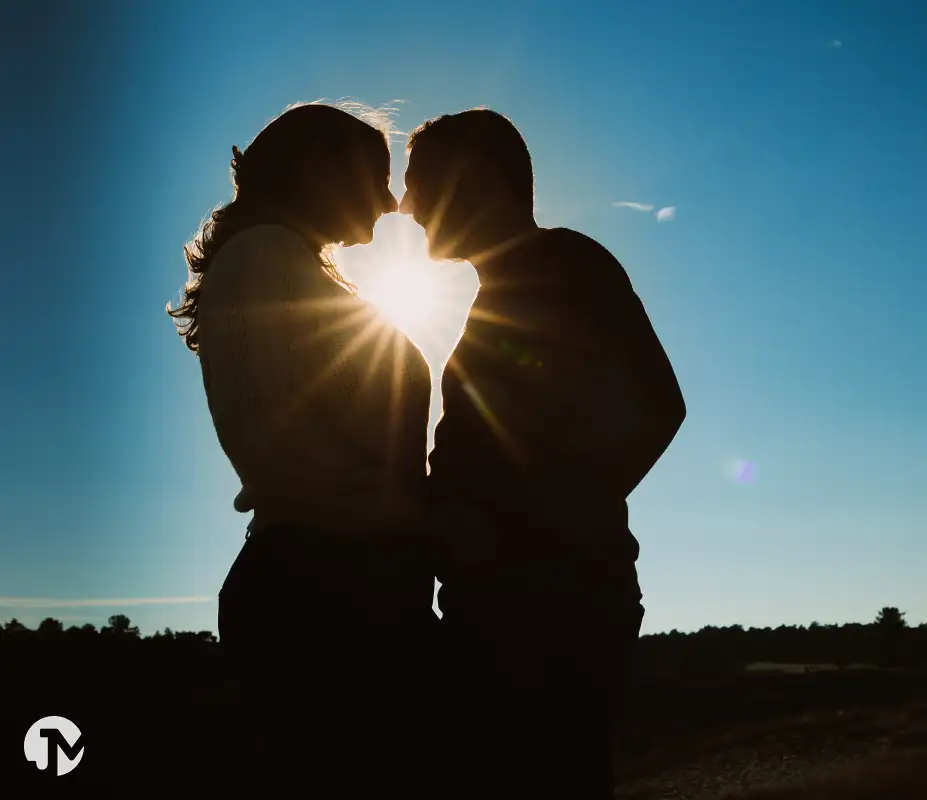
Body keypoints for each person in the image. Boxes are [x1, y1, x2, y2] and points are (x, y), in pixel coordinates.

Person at [398, 107, 687, 798]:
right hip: (512, 604)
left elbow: (657, 407)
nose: (405, 207)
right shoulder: (506, 285)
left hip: (552, 608)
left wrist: (532, 533)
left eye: (419, 184)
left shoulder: (565, 265)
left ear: (475, 183)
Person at [166, 102, 439, 797]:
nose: (387, 202)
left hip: (332, 582)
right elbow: (310, 443)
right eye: (376, 178)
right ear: (319, 168)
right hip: (333, 595)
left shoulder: (275, 261)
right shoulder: (268, 260)